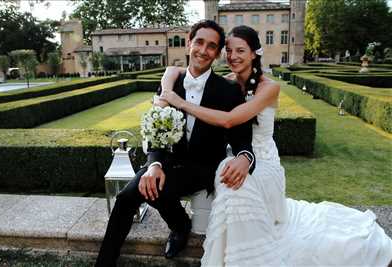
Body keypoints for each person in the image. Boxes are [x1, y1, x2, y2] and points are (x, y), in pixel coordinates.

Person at [159, 25, 392, 266]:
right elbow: (175, 69)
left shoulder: (269, 87)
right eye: (229, 50)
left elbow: (229, 121)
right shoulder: (226, 83)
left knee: (236, 186)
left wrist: (180, 103)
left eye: (241, 50)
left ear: (254, 54)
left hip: (264, 162)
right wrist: (167, 87)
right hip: (237, 154)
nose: (233, 56)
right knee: (228, 177)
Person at [95, 20, 256, 267]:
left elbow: (242, 139)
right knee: (127, 197)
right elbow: (156, 131)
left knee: (156, 190)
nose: (203, 50)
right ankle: (104, 263)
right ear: (189, 43)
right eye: (199, 42)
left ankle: (180, 227)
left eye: (211, 46)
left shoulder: (230, 90)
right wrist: (154, 164)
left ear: (217, 53)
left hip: (203, 167)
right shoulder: (170, 83)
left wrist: (245, 158)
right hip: (168, 161)